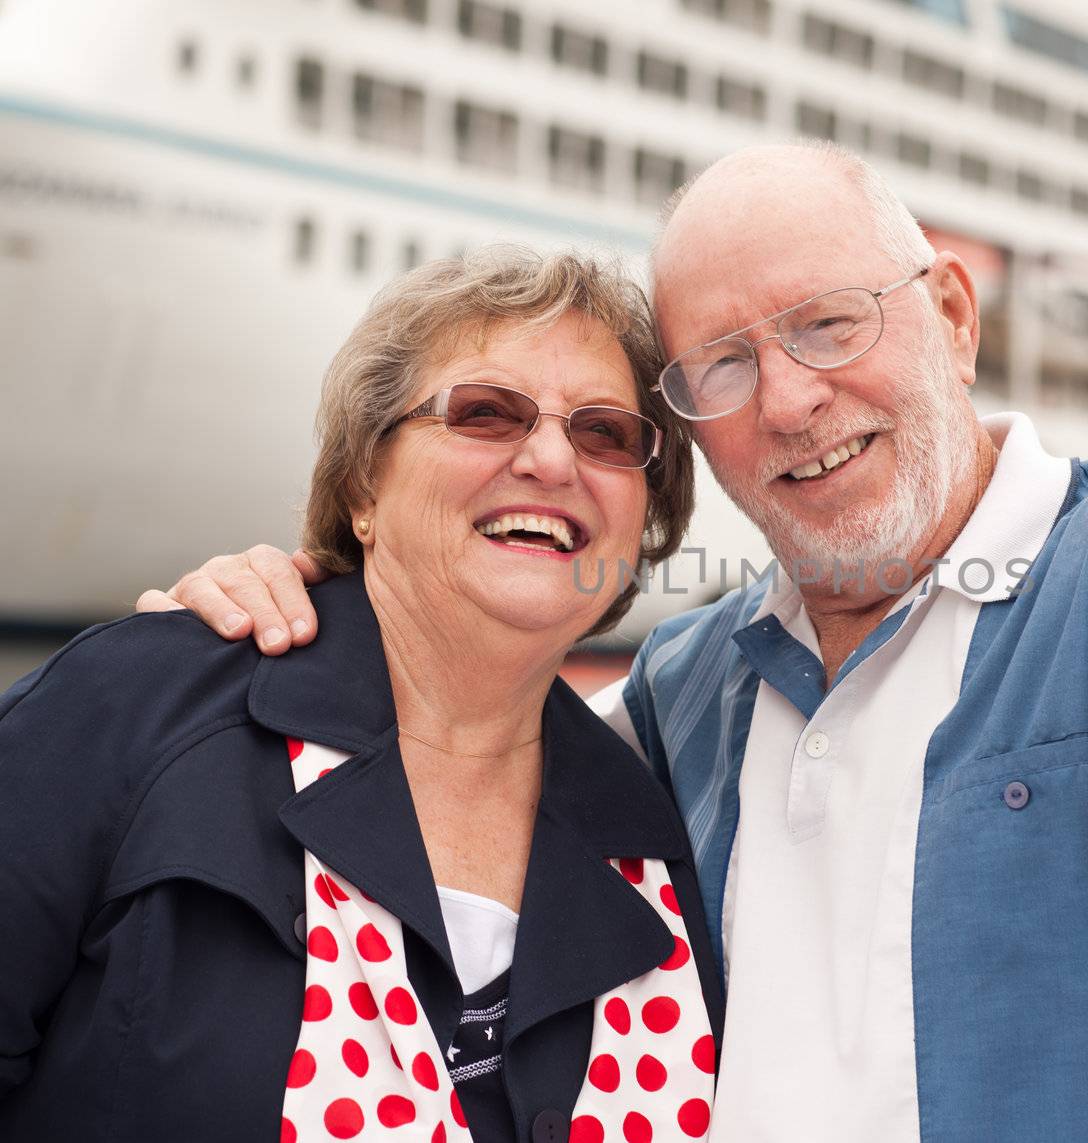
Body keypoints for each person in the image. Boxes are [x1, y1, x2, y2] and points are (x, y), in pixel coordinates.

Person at [142, 105, 1088, 1141]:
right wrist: (268, 621)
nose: (792, 400)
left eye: (828, 323)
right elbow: (436, 756)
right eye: (723, 368)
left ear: (954, 320)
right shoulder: (672, 697)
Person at [0, 250, 724, 1143]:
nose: (549, 458)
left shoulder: (659, 824)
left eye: (605, 433)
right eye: (486, 412)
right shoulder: (139, 710)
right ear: (361, 485)